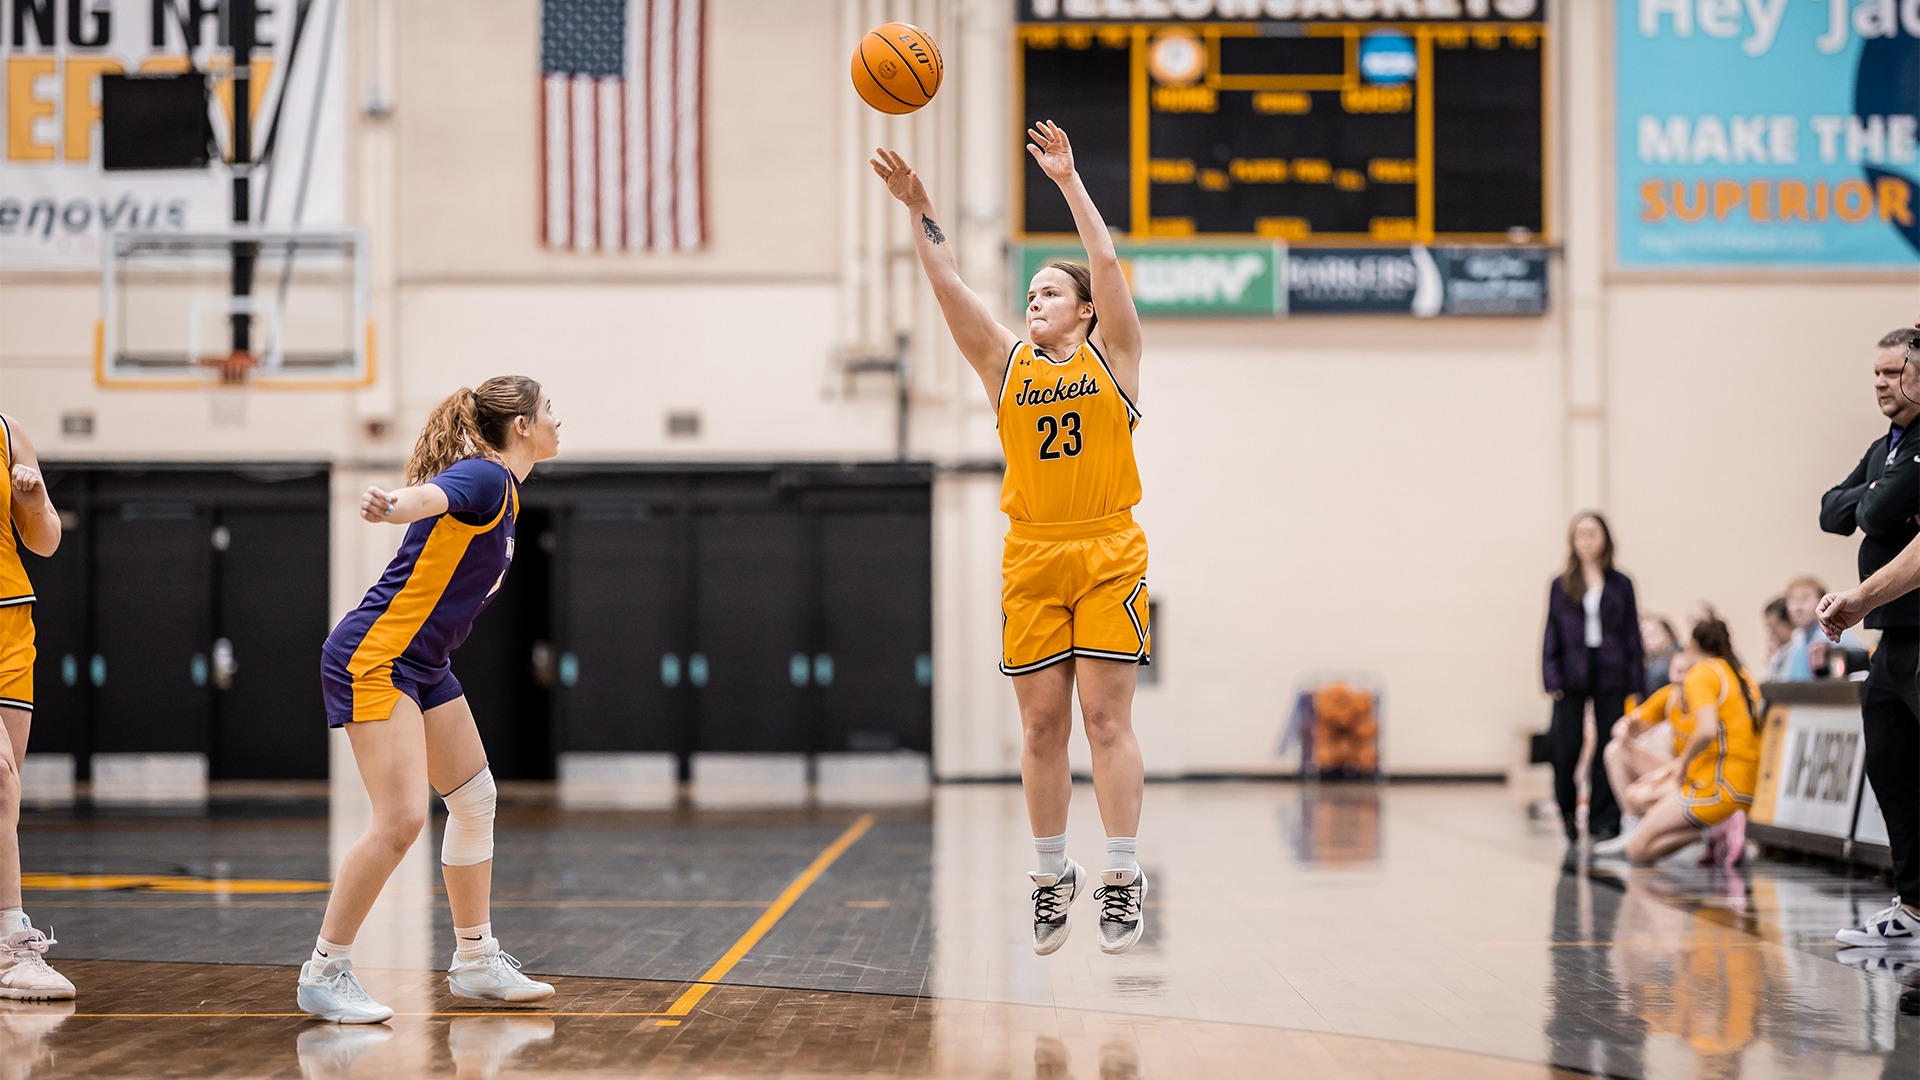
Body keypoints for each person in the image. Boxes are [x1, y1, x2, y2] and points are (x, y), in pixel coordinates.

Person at [872, 121, 1152, 955]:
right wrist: (921, 211)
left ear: (1088, 313)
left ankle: (1123, 874)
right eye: (1029, 292)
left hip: (1106, 549)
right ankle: (1049, 874)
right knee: (1039, 728)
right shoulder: (1006, 366)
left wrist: (1067, 182)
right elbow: (949, 282)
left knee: (1104, 719)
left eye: (1050, 292)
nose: (1035, 300)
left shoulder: (1115, 357)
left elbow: (1105, 265)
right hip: (1032, 554)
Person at [297, 377, 561, 1023]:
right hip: (376, 657)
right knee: (400, 822)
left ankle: (475, 961)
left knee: (474, 799)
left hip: (423, 664)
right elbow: (431, 496)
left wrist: (403, 504)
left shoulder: (508, 492)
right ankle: (324, 971)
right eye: (550, 410)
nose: (559, 420)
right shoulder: (486, 477)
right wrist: (393, 503)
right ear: (522, 425)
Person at [1817, 326, 1920, 950]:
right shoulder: (1888, 445)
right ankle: (1912, 908)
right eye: (1876, 375)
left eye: (1892, 373)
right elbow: (1834, 510)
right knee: (1889, 764)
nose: (1882, 384)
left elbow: (1874, 516)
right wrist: (1878, 493)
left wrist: (1875, 502)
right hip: (1892, 638)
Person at [0, 414, 68, 1000]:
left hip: (11, 622)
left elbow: (45, 540)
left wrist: (38, 497)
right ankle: (11, 942)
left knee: (6, 795)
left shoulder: (6, 432)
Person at [1618, 619, 1762, 867]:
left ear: (1692, 645)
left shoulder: (1703, 674)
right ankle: (1714, 832)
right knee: (1639, 796)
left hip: (1717, 785)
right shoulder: (1742, 675)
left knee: (1637, 850)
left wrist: (1681, 765)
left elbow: (1705, 731)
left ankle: (1713, 830)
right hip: (1744, 784)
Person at [1541, 512, 1643, 846]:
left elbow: (1632, 634)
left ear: (1605, 539)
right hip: (1571, 672)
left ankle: (1604, 821)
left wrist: (1636, 682)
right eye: (1581, 535)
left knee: (1607, 746)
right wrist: (1550, 676)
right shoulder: (1561, 584)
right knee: (1564, 747)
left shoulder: (1621, 583)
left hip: (1611, 670)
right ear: (1573, 541)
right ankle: (1567, 810)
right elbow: (1551, 632)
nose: (1587, 541)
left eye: (1593, 534)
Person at [1641, 615, 1682, 697]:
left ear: (1668, 634)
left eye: (1651, 634)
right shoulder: (1650, 660)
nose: (1645, 640)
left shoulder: (1677, 659)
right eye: (1642, 636)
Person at [1762, 597, 1796, 682]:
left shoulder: (1798, 648)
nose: (1771, 633)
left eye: (1774, 627)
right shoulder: (1781, 651)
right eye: (1768, 628)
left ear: (1789, 623)